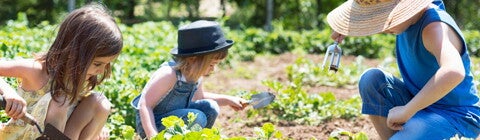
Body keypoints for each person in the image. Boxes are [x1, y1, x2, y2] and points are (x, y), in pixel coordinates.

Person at [327, 0, 480, 139]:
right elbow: (390, 24)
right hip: (421, 103)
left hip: (457, 117)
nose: (382, 26)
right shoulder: (408, 21)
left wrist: (408, 110)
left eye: (385, 18)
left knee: (416, 127)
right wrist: (351, 26)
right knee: (371, 79)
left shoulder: (433, 28)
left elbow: (454, 71)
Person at [0, 3, 123, 140]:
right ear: (74, 52)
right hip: (23, 136)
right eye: (97, 63)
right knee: (61, 100)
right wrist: (8, 92)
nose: (101, 70)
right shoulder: (36, 70)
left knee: (100, 103)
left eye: (106, 65)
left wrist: (98, 126)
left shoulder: (81, 78)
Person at [131, 20, 248, 139]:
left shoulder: (196, 74)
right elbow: (145, 105)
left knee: (211, 107)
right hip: (153, 124)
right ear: (193, 59)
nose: (214, 69)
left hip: (178, 118)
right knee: (198, 117)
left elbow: (200, 97)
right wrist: (153, 135)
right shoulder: (169, 74)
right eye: (211, 64)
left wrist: (228, 100)